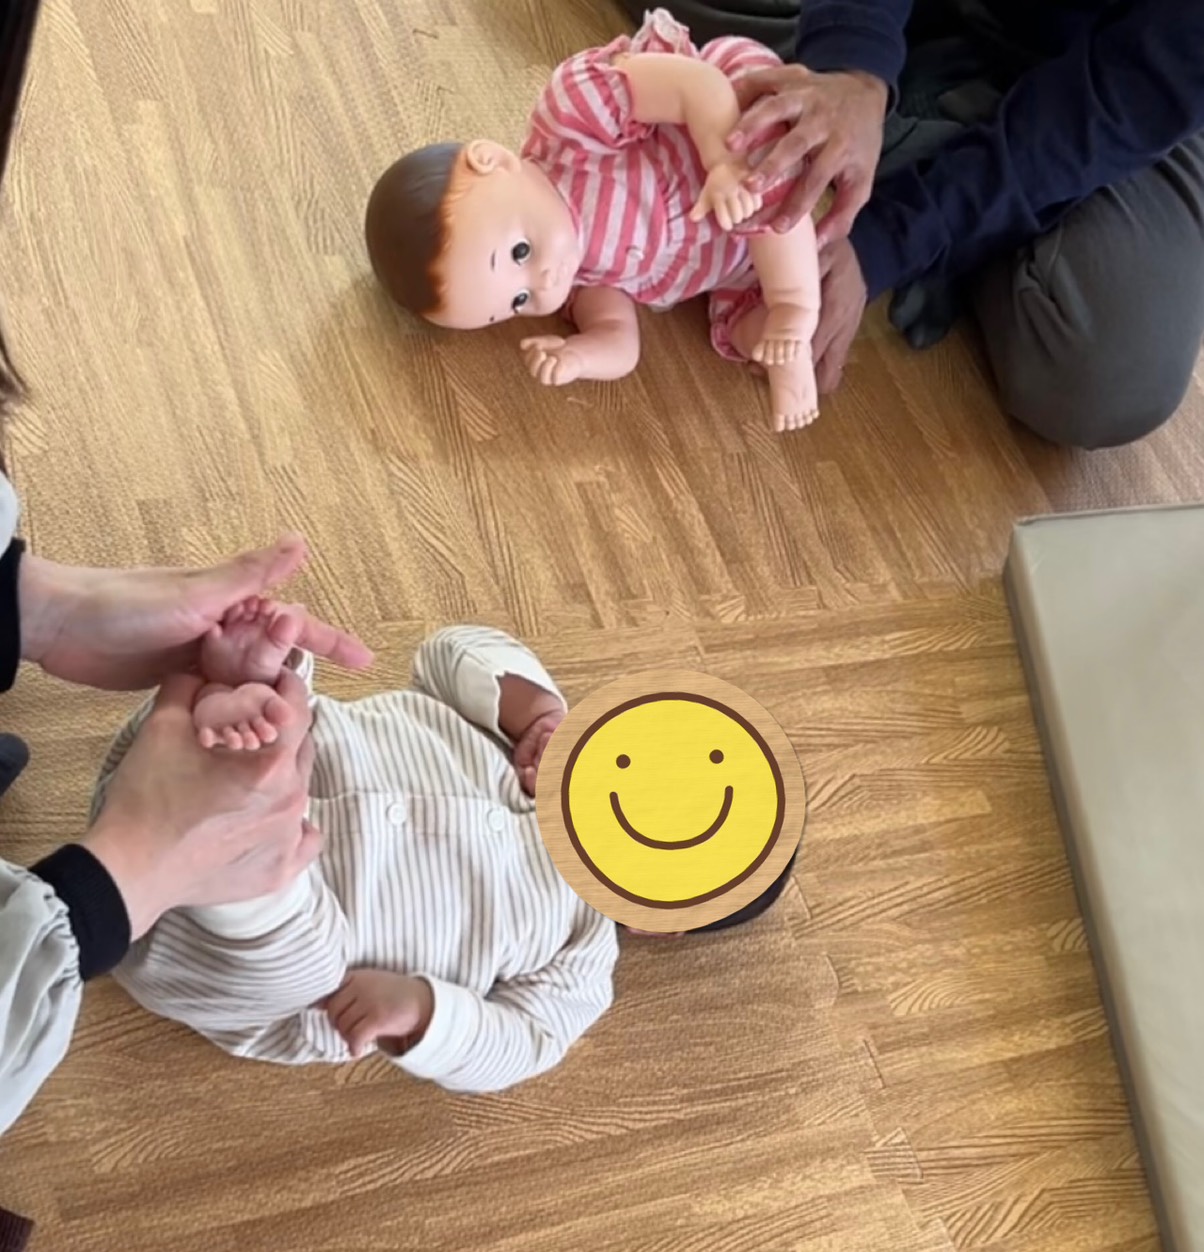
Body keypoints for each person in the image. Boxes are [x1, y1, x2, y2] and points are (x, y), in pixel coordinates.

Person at [0, 0, 374, 1143]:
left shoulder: (577, 942)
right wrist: (133, 872)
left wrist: (35, 608)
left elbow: (528, 1025)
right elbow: (467, 656)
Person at [97, 612, 795, 1092]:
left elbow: (521, 1045)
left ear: (657, 919)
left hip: (207, 940)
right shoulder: (511, 742)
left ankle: (247, 877)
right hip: (186, 764)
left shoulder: (580, 951)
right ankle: (247, 699)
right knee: (294, 717)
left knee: (306, 964)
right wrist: (536, 711)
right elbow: (451, 649)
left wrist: (425, 1012)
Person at [622, 0, 1204, 449]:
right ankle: (902, 138)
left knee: (1109, 379)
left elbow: (1111, 117)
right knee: (712, 68)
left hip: (1139, 117)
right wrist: (854, 68)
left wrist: (888, 240)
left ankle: (934, 172)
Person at [364, 10, 824, 433]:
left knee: (758, 187)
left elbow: (699, 85)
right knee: (743, 332)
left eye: (520, 253)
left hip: (733, 132)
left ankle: (795, 306)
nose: (543, 282)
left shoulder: (571, 124)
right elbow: (621, 342)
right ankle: (784, 343)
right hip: (734, 267)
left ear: (493, 161)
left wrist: (721, 161)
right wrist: (578, 357)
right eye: (520, 300)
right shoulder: (582, 281)